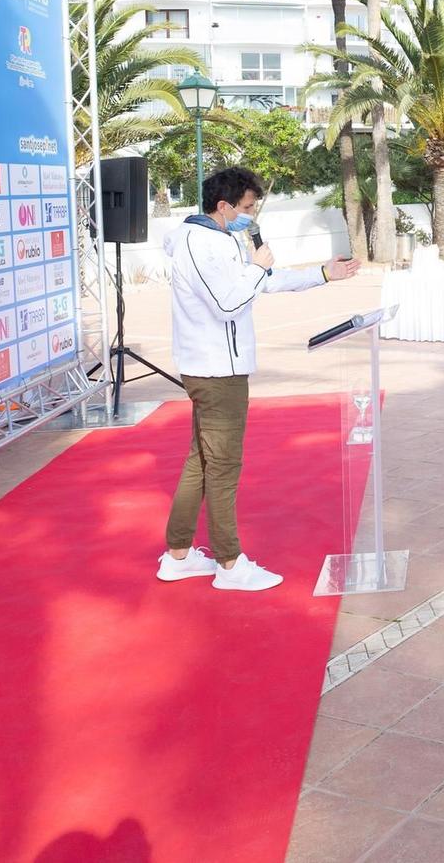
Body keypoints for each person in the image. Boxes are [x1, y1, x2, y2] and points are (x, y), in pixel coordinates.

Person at [160, 166, 361, 592]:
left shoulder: (221, 239)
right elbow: (229, 304)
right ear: (223, 206)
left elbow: (266, 282)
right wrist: (254, 267)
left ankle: (177, 554)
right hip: (216, 371)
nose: (251, 215)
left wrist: (324, 274)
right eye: (247, 207)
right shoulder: (201, 244)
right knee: (223, 467)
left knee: (202, 460)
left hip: (218, 367)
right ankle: (230, 565)